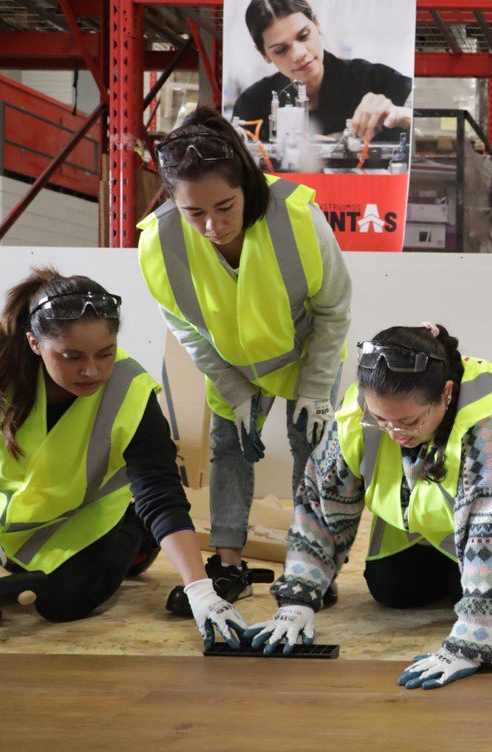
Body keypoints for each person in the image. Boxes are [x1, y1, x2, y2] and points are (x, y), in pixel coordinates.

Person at [244, 324, 492, 689]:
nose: (394, 431)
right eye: (381, 419)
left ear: (446, 395)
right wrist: (299, 597)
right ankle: (452, 563)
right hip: (428, 514)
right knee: (391, 590)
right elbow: (322, 502)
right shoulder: (362, 407)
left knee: (485, 597)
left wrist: (472, 645)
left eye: (410, 421)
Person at [137, 106, 351, 615]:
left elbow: (334, 309)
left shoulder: (298, 217)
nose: (212, 225)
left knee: (312, 453)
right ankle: (229, 567)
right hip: (232, 365)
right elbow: (188, 330)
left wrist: (317, 390)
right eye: (194, 213)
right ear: (173, 200)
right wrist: (233, 391)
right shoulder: (158, 243)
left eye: (225, 207)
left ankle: (311, 568)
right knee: (228, 451)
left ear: (246, 185)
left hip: (305, 351)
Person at [0, 269, 248, 647]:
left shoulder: (130, 391)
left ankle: (138, 537)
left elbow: (161, 493)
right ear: (35, 343)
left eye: (106, 354)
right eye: (72, 357)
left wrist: (201, 591)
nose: (92, 370)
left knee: (63, 603)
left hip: (86, 518)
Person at [231, 0, 413, 140]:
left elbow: (427, 122)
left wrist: (401, 114)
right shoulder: (252, 105)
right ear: (264, 54)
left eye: (303, 36)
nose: (299, 54)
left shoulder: (376, 81)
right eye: (281, 50)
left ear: (316, 23)